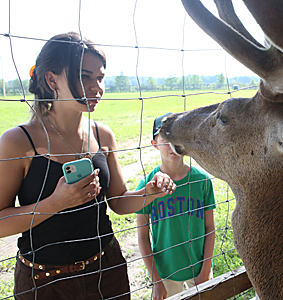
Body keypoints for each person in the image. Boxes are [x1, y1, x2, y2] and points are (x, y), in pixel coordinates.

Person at [0, 32, 176, 300]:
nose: (97, 88)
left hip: (108, 273)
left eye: (100, 77)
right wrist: (56, 203)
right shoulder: (17, 142)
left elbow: (118, 202)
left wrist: (149, 192)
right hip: (44, 284)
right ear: (51, 79)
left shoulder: (102, 134)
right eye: (85, 77)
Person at [136, 113, 216, 300]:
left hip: (199, 269)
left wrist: (205, 270)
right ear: (154, 144)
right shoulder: (147, 186)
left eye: (176, 139)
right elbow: (142, 236)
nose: (172, 146)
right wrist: (156, 281)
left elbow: (210, 228)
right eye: (165, 140)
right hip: (165, 274)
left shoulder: (202, 181)